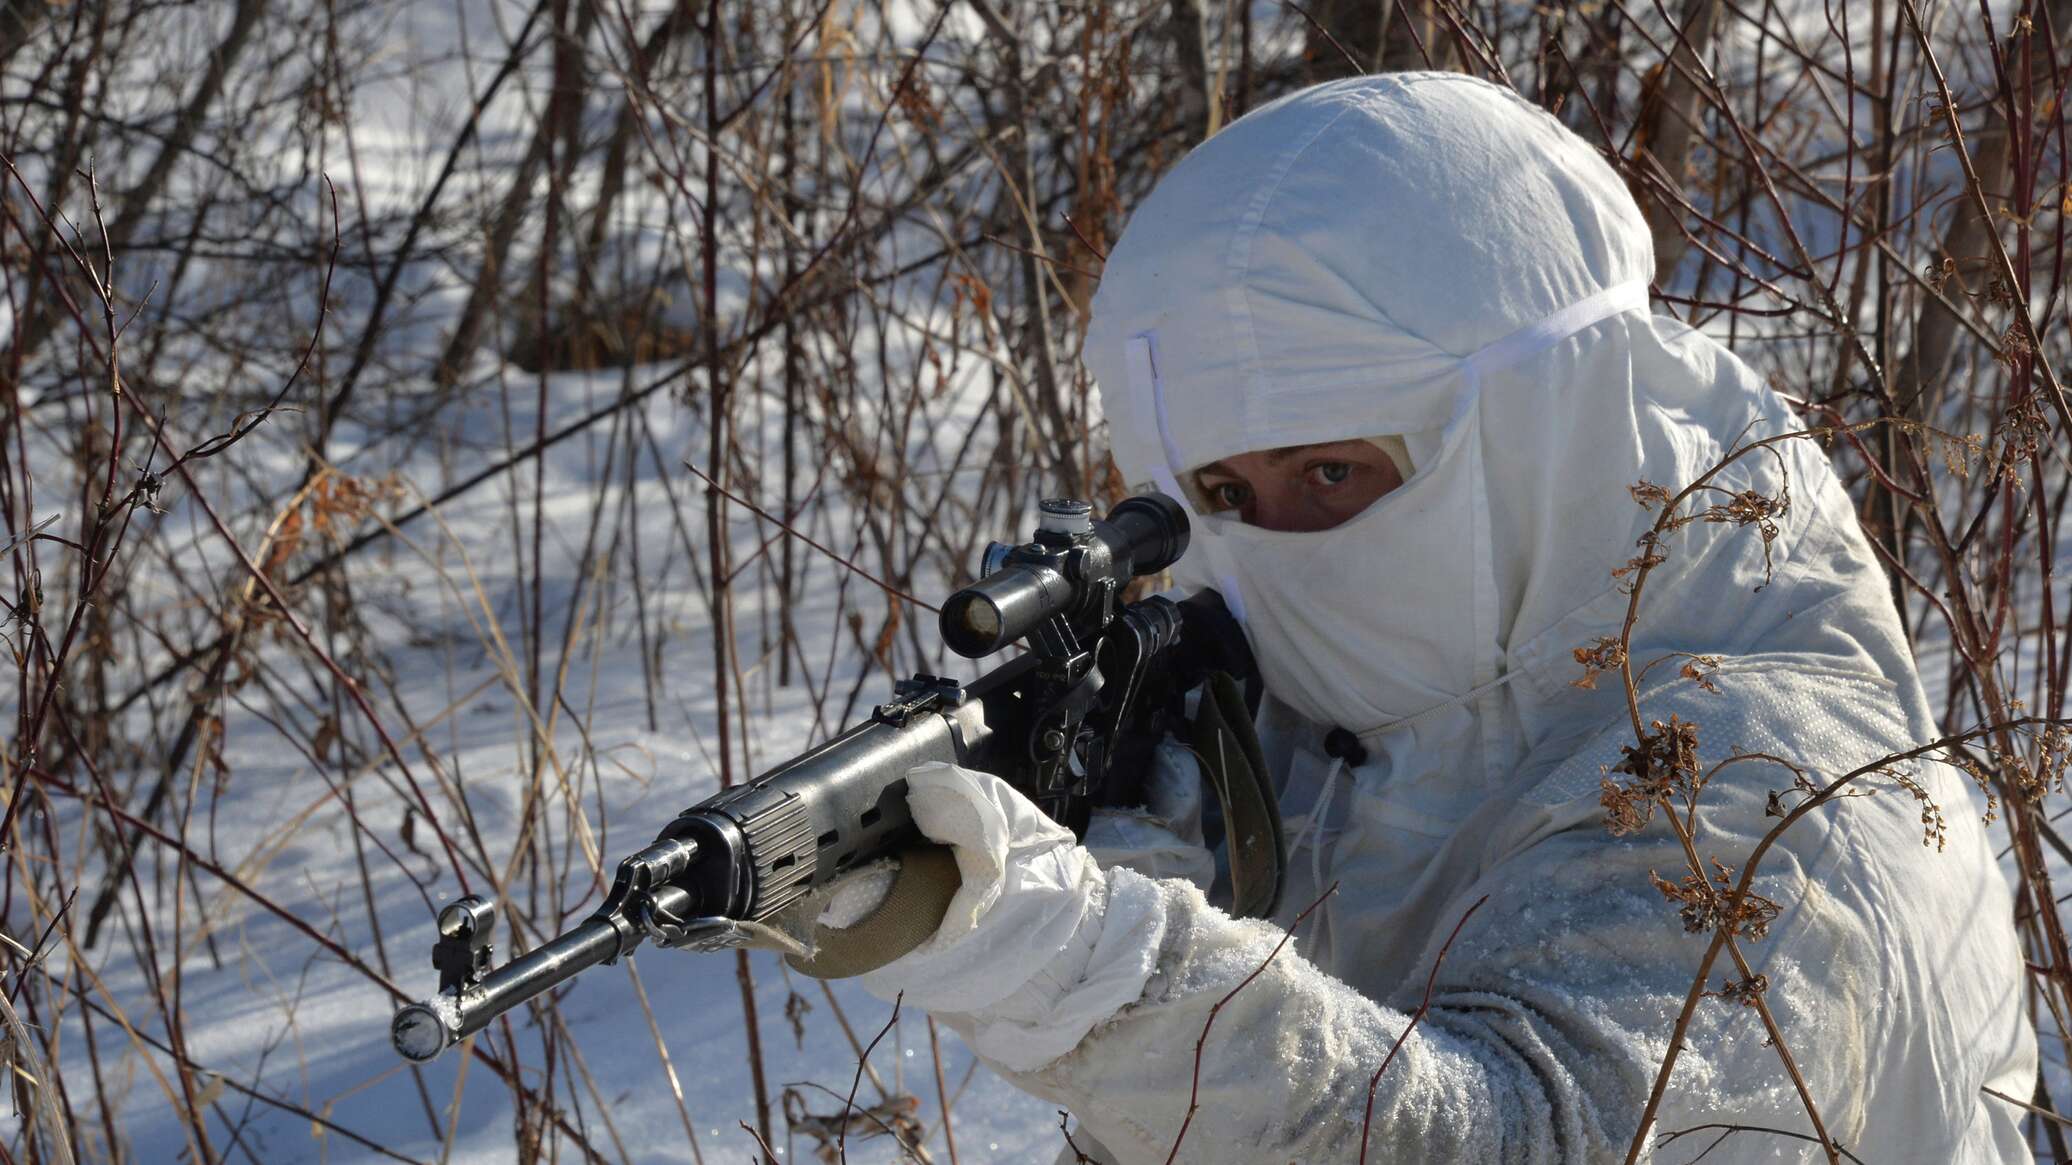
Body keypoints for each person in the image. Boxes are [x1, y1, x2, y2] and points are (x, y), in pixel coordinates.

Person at [794, 73, 2036, 1162]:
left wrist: (1106, 974)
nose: (1272, 544)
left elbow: (1529, 1134)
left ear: (1537, 429)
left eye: (1330, 472)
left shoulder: (1761, 775)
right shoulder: (1318, 727)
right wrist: (1150, 846)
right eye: (1222, 494)